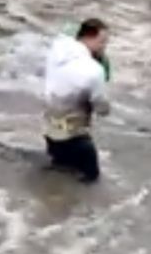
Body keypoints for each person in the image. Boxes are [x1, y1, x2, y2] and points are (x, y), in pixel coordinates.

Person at [42, 18, 112, 183]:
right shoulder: (94, 71)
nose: (104, 47)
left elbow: (66, 30)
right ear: (88, 38)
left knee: (59, 170)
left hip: (50, 132)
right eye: (102, 42)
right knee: (91, 180)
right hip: (75, 139)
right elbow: (101, 107)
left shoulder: (58, 47)